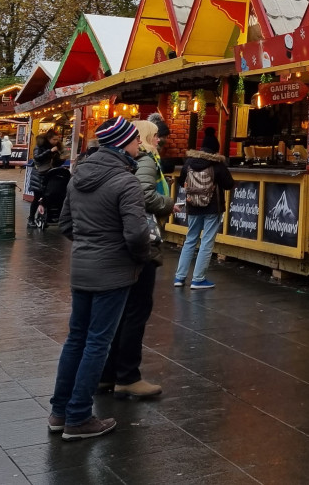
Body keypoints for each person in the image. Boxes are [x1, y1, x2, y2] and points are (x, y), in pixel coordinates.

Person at [48, 116, 151, 440]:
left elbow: (65, 223)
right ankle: (79, 416)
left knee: (76, 338)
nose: (139, 145)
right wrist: (139, 258)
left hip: (82, 267)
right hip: (113, 270)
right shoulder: (125, 181)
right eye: (135, 140)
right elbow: (137, 234)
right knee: (97, 342)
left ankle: (59, 412)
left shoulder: (78, 176)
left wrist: (88, 244)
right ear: (122, 143)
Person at [99, 120, 172, 398]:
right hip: (137, 243)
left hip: (106, 249)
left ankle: (107, 374)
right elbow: (144, 196)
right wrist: (168, 204)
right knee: (136, 310)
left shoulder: (98, 165)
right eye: (154, 137)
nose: (157, 143)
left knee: (118, 313)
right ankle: (127, 375)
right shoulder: (145, 162)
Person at [173, 126, 234, 289]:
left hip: (193, 206)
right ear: (215, 150)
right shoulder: (217, 164)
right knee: (206, 242)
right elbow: (229, 184)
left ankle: (179, 277)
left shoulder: (189, 163)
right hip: (212, 208)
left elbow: (180, 182)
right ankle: (198, 279)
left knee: (190, 239)